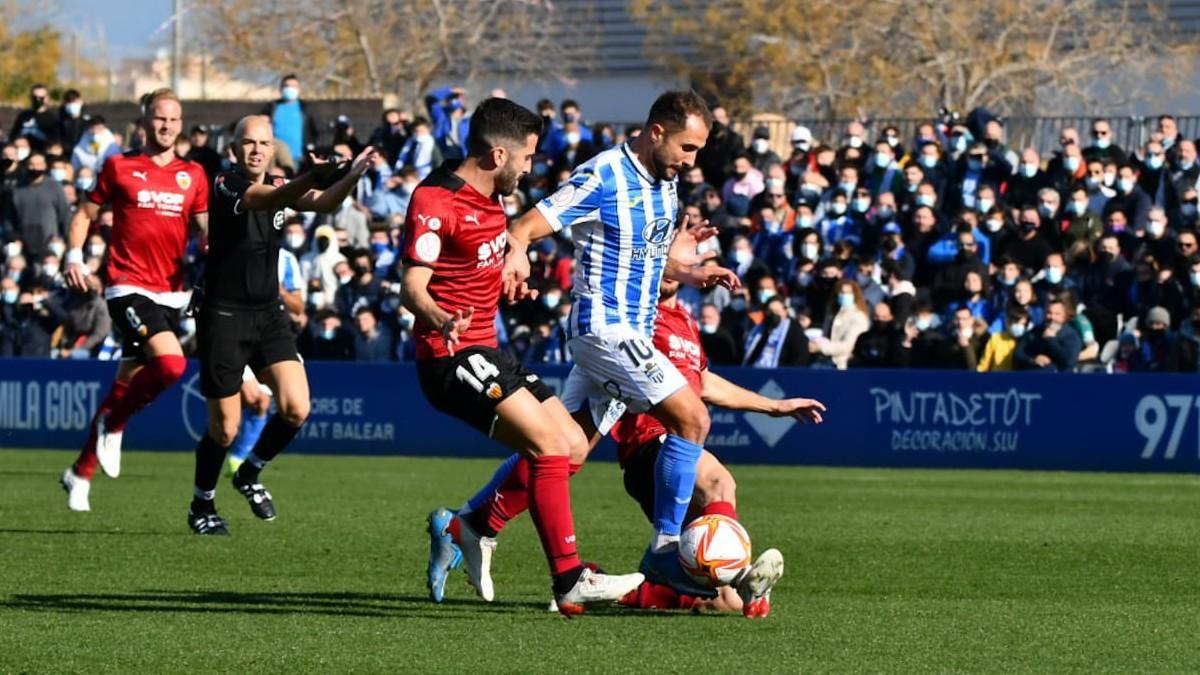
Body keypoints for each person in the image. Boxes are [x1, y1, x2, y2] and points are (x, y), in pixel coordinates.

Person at [444, 277, 825, 618]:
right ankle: (728, 568)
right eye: (674, 250)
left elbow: (704, 384)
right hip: (651, 441)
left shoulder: (687, 322)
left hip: (679, 447)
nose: (680, 264)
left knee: (726, 602)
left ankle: (620, 589)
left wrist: (774, 406)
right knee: (718, 482)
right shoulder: (635, 319)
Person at [402, 97, 644, 614]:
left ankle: (466, 525)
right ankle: (568, 577)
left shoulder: (493, 199)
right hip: (449, 357)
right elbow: (413, 286)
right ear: (496, 156)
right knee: (549, 448)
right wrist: (440, 318)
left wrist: (506, 283)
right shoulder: (435, 200)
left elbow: (471, 269)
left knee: (573, 446)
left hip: (487, 349)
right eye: (527, 158)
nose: (531, 167)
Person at [186, 115, 374, 535]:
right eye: (248, 143)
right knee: (225, 428)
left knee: (296, 407)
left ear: (273, 149)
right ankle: (202, 503)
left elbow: (324, 203)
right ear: (234, 149)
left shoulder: (277, 186)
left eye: (264, 143)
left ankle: (250, 473)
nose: (255, 149)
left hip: (269, 316)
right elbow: (264, 199)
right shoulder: (225, 184)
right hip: (223, 318)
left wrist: (355, 175)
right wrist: (313, 175)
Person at [59, 89, 209, 512]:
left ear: (181, 124)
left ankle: (80, 472)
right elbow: (86, 213)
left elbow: (204, 227)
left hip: (171, 292)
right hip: (126, 286)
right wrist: (73, 255)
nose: (167, 126)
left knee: (125, 384)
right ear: (145, 122)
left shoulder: (192, 174)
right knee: (171, 364)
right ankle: (116, 422)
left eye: (174, 120)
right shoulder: (119, 166)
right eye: (159, 118)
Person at [261, 74, 321, 167]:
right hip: (275, 158)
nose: (290, 89)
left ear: (299, 89)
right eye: (287, 86)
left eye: (294, 86)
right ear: (281, 88)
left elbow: (317, 131)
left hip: (299, 159)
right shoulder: (272, 107)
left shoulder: (305, 108)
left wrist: (312, 150)